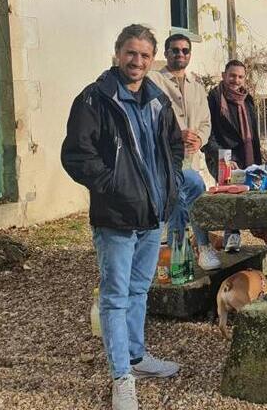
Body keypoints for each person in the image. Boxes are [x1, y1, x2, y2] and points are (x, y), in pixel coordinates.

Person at [61, 25, 182, 410]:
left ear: (152, 60)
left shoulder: (158, 100)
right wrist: (112, 184)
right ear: (117, 53)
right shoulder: (95, 99)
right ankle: (121, 377)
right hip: (114, 216)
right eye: (131, 53)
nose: (138, 61)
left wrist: (172, 182)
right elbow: (76, 154)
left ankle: (136, 357)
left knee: (139, 290)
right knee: (115, 297)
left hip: (151, 216)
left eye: (145, 56)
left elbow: (174, 146)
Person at [147, 33, 220, 270]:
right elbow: (150, 119)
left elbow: (206, 123)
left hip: (193, 156)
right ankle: (186, 250)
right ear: (166, 53)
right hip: (166, 157)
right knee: (181, 199)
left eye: (185, 50)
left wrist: (200, 139)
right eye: (175, 50)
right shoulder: (153, 82)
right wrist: (177, 135)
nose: (180, 54)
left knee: (190, 199)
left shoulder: (197, 86)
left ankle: (196, 249)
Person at [205, 59, 262, 252]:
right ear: (223, 76)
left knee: (248, 194)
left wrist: (258, 160)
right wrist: (224, 158)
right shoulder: (214, 98)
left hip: (246, 153)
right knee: (230, 196)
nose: (235, 80)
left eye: (240, 77)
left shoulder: (247, 99)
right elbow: (207, 133)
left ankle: (256, 234)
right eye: (232, 76)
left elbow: (253, 134)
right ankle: (232, 238)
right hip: (223, 156)